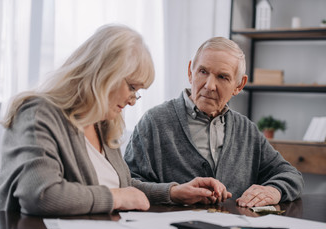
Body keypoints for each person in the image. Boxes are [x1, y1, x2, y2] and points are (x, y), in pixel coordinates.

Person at [0, 25, 232, 216]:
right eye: (131, 87)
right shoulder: (38, 113)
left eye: (138, 91)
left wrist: (174, 192)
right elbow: (41, 196)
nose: (132, 100)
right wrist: (118, 198)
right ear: (104, 73)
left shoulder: (104, 123)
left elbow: (124, 186)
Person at [124, 36, 304, 208]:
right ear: (190, 72)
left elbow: (290, 174)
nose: (210, 85)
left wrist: (274, 190)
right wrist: (171, 192)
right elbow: (126, 183)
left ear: (239, 85)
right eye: (203, 72)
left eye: (222, 77)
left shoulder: (247, 130)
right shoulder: (154, 122)